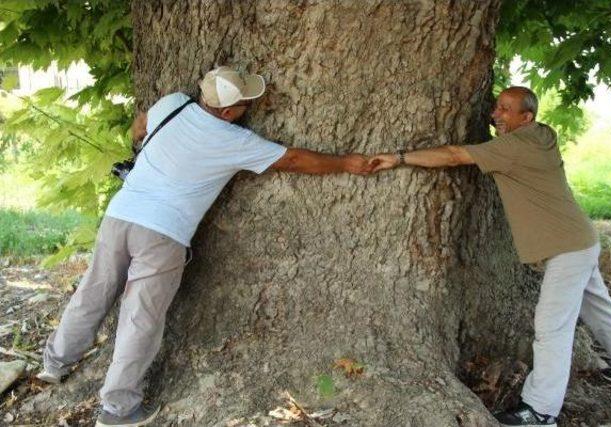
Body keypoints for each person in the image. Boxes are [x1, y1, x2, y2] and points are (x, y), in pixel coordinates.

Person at [37, 66, 374, 427]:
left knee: (92, 292)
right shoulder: (232, 140)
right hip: (162, 233)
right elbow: (292, 159)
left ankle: (54, 365)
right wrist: (346, 163)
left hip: (121, 215)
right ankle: (117, 410)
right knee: (140, 318)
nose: (248, 108)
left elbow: (139, 127)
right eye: (245, 103)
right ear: (228, 112)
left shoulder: (174, 104)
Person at [370, 86, 611, 427]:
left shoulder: (515, 146)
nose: (495, 114)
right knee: (604, 313)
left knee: (551, 327)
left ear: (526, 118)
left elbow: (454, 155)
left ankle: (540, 411)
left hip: (568, 249)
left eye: (505, 110)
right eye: (497, 106)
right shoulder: (542, 134)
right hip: (580, 239)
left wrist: (399, 158)